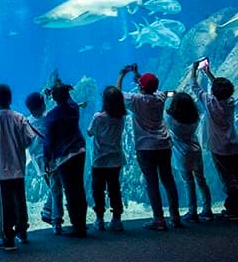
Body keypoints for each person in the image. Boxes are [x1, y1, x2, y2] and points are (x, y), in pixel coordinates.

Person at [118, 65, 183, 230]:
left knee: (152, 182)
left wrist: (121, 75)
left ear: (140, 87)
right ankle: (175, 217)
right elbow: (151, 87)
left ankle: (159, 219)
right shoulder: (160, 97)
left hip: (146, 147)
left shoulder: (136, 100)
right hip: (163, 144)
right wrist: (138, 75)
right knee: (168, 180)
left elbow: (117, 95)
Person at [0, 84, 34, 251]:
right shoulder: (20, 118)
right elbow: (29, 139)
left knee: (5, 204)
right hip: (18, 166)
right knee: (20, 200)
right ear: (11, 98)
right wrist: (18, 147)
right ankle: (22, 232)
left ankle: (8, 238)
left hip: (1, 168)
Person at [191, 63, 238, 219]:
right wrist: (209, 74)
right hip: (233, 144)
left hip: (219, 147)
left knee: (227, 178)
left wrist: (194, 70)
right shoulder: (231, 102)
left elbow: (194, 87)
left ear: (213, 92)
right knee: (237, 175)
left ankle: (234, 210)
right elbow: (222, 91)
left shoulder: (209, 102)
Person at [43, 81, 88, 238]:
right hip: (79, 151)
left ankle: (77, 227)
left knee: (70, 191)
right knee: (79, 188)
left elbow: (48, 140)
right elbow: (70, 100)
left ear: (54, 98)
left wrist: (46, 159)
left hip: (64, 156)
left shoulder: (52, 115)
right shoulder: (74, 108)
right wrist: (61, 89)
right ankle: (81, 224)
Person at [165, 92, 213, 223]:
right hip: (195, 150)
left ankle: (192, 212)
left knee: (188, 182)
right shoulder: (195, 117)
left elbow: (164, 113)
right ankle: (207, 209)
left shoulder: (170, 119)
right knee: (201, 180)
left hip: (182, 154)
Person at [87, 86, 127, 231]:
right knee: (115, 188)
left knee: (98, 189)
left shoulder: (98, 117)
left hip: (99, 160)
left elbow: (90, 132)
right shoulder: (121, 117)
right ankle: (117, 218)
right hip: (115, 159)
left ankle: (99, 219)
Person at [25, 92, 64, 235]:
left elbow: (25, 143)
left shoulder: (27, 122)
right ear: (42, 105)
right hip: (51, 159)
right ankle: (56, 221)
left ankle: (48, 211)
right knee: (56, 190)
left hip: (39, 162)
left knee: (54, 187)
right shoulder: (48, 118)